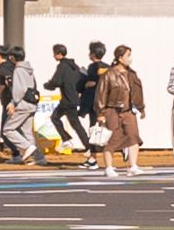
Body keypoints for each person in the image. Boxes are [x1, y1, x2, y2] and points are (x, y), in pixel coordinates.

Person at [96, 44, 146, 177]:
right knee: (110, 139)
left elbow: (137, 92)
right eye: (127, 55)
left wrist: (141, 108)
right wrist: (101, 113)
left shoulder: (132, 74)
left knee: (133, 137)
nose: (130, 58)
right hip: (112, 110)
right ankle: (109, 167)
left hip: (129, 110)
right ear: (119, 58)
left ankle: (133, 165)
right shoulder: (109, 74)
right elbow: (101, 94)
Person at [45, 44, 92, 162]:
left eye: (55, 53)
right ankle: (84, 145)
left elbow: (57, 81)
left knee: (57, 118)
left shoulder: (62, 66)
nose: (54, 55)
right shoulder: (74, 66)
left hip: (67, 100)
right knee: (73, 123)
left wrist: (47, 85)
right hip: (74, 98)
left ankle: (70, 141)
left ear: (59, 54)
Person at [0, 46, 46, 166]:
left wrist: (13, 103)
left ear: (12, 57)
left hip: (23, 104)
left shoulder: (19, 70)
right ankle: (39, 158)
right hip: (31, 104)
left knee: (8, 129)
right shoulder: (29, 69)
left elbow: (19, 90)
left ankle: (27, 147)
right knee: (27, 132)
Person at [0, 44, 16, 159]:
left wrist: (0, 94)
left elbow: (2, 85)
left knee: (5, 132)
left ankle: (17, 153)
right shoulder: (14, 67)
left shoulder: (2, 69)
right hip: (18, 101)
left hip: (9, 103)